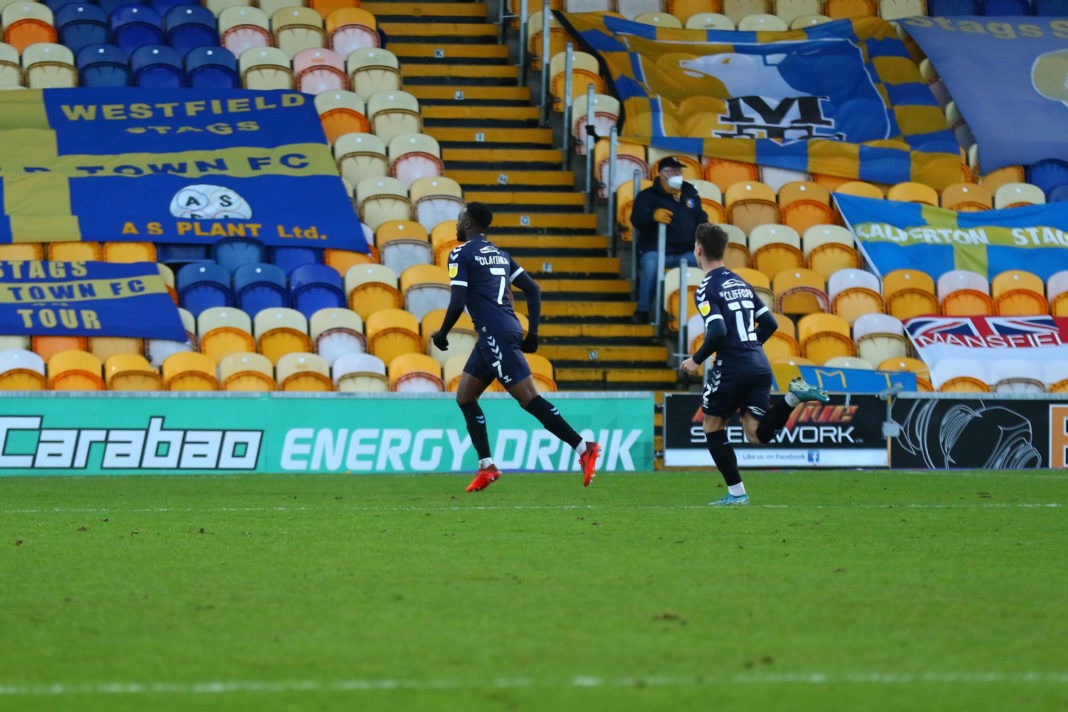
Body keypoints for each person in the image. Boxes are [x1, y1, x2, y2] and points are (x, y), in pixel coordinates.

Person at [431, 202, 602, 492]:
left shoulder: (460, 253)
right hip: (500, 332)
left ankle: (583, 446)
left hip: (494, 333)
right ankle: (487, 466)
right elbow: (533, 289)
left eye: (460, 219)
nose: (457, 224)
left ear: (469, 223)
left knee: (529, 399)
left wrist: (442, 332)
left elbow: (458, 301)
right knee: (465, 396)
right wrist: (533, 332)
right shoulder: (500, 255)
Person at [679, 223, 830, 506]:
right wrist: (749, 349)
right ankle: (791, 398)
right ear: (723, 251)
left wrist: (695, 360)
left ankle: (737, 494)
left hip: (734, 364)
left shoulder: (706, 289)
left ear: (698, 250)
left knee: (712, 425)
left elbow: (718, 331)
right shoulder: (741, 283)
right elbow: (771, 323)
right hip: (759, 363)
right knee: (756, 434)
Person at [629, 156, 708, 324]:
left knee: (708, 263)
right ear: (661, 173)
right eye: (672, 171)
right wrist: (652, 216)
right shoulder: (647, 196)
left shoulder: (690, 193)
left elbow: (700, 216)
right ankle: (643, 310)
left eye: (679, 171)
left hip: (685, 251)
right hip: (656, 249)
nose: (677, 174)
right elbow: (636, 220)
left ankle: (704, 314)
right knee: (651, 265)